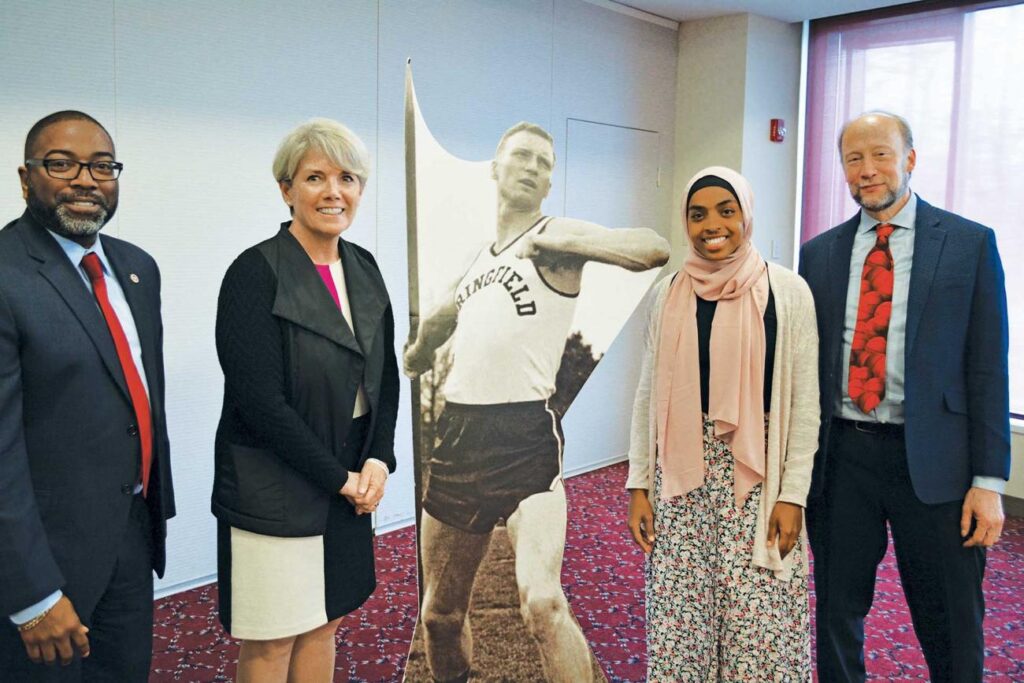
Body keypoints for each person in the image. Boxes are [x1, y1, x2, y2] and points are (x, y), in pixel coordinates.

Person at [404, 121, 669, 683]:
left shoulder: (555, 237)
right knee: (439, 616)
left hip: (525, 436)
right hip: (457, 438)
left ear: (549, 183)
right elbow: (442, 317)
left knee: (542, 603)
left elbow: (653, 248)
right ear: (495, 169)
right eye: (520, 156)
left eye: (543, 163)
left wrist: (562, 242)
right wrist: (418, 354)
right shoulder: (480, 260)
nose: (530, 167)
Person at [799, 111, 1010, 682]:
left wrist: (989, 483)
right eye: (853, 159)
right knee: (838, 610)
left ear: (910, 159)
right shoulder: (817, 254)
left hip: (937, 464)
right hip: (842, 459)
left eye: (881, 155)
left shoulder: (968, 244)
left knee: (950, 617)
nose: (867, 171)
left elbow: (989, 370)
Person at [212, 118, 399, 682]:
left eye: (347, 177)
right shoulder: (254, 273)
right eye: (314, 177)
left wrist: (377, 459)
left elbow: (386, 373)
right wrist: (341, 479)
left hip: (348, 475)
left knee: (325, 622)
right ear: (286, 189)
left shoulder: (364, 267)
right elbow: (259, 403)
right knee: (273, 638)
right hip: (276, 482)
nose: (333, 192)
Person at [0, 111, 176, 681]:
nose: (85, 180)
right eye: (61, 164)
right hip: (44, 558)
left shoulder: (136, 268)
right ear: (26, 180)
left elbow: (137, 402)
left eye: (102, 166)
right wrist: (32, 595)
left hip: (129, 533)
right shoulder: (6, 276)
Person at [626, 166, 820, 681]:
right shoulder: (668, 292)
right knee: (681, 620)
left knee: (761, 622)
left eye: (726, 211)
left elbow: (805, 404)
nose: (712, 225)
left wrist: (793, 495)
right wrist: (639, 484)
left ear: (746, 215)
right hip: (679, 474)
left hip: (758, 475)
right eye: (698, 214)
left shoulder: (787, 292)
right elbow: (648, 393)